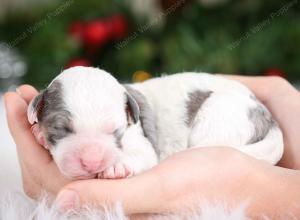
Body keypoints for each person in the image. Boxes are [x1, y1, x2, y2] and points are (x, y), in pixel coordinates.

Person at [4, 75, 300, 218]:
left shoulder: (130, 115)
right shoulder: (110, 106)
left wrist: (130, 164)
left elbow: (144, 156)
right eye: (61, 130)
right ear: (37, 112)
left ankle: (221, 172)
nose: (91, 158)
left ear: (128, 114)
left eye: (113, 132)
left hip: (234, 116)